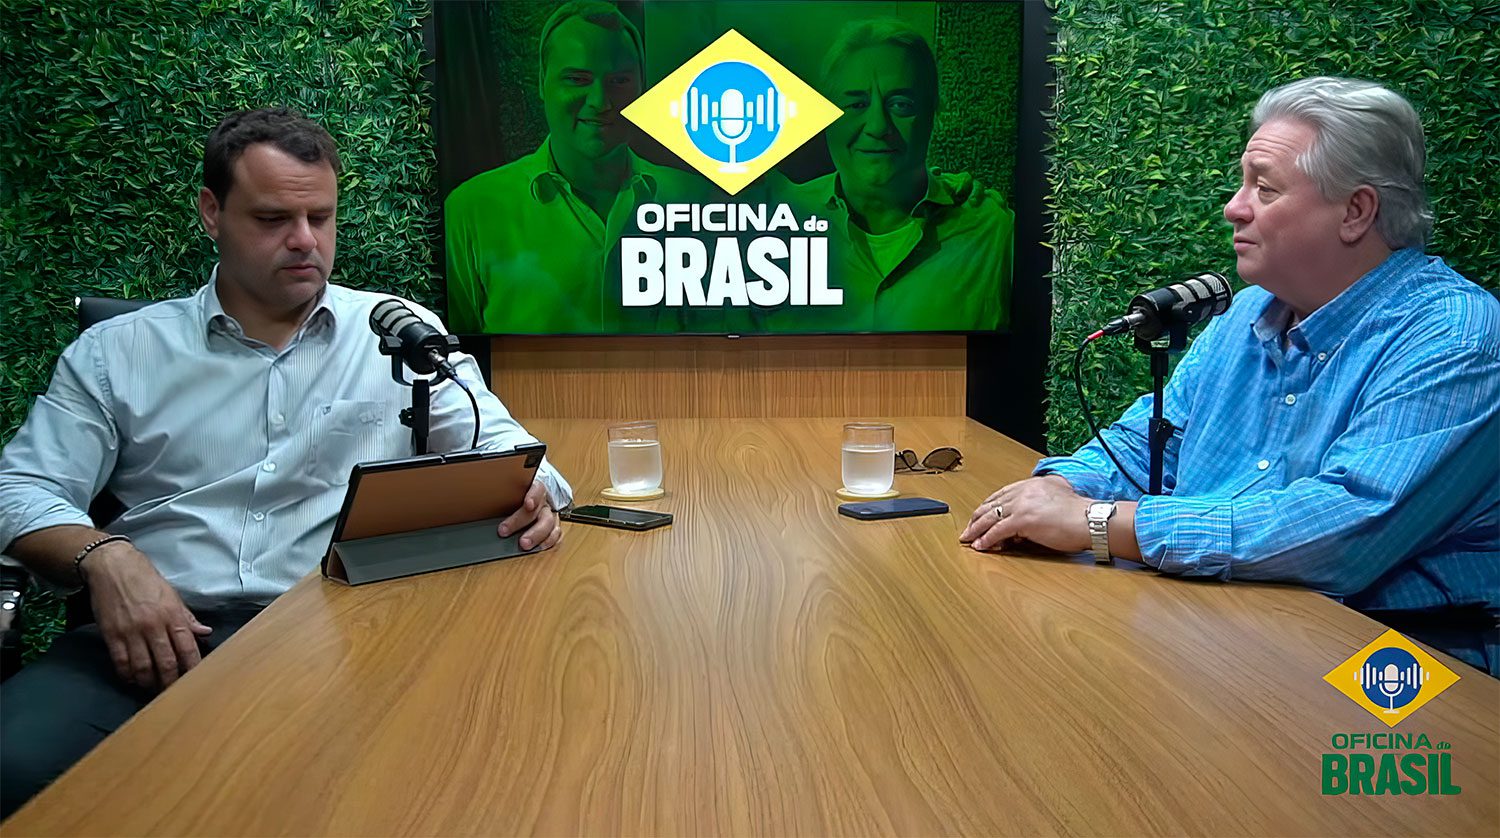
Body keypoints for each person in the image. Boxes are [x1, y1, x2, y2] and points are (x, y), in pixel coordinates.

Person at [0, 107, 574, 815]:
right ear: (212, 212)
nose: (305, 241)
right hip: (157, 641)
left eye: (320, 217)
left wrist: (530, 491)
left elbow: (519, 458)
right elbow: (20, 489)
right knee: (14, 760)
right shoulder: (118, 353)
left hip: (350, 640)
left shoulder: (397, 335)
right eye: (273, 219)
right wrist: (106, 558)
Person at [962, 77, 1499, 675]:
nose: (1234, 208)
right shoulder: (1247, 311)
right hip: (1227, 623)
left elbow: (1344, 529)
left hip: (1398, 659)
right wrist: (1060, 489)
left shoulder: (1456, 336)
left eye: (1264, 189)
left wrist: (1097, 523)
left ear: (1355, 212)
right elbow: (1149, 441)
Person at [445, 0, 710, 335]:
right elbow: (456, 354)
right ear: (542, 82)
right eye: (578, 79)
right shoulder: (471, 211)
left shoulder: (697, 202)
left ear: (642, 88)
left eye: (619, 81)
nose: (600, 102)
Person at [764, 19, 1014, 333]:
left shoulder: (993, 233)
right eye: (857, 103)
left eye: (901, 104)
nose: (878, 126)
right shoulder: (773, 221)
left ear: (933, 114)